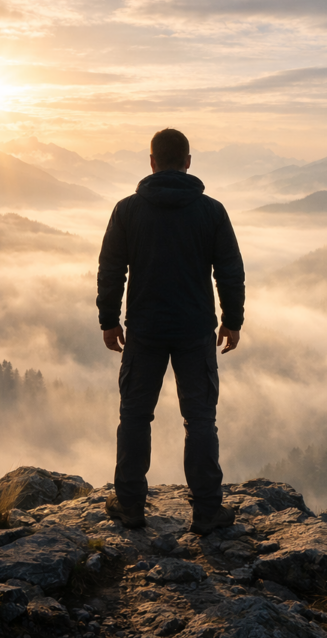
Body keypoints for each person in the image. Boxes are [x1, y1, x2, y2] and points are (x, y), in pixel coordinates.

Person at [96, 128, 245, 535]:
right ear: (188, 161)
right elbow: (229, 271)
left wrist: (109, 319)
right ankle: (207, 511)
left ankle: (129, 505)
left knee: (135, 415)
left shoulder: (127, 211)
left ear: (152, 162)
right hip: (195, 329)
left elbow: (111, 269)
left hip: (144, 330)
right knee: (200, 419)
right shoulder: (211, 212)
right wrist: (233, 319)